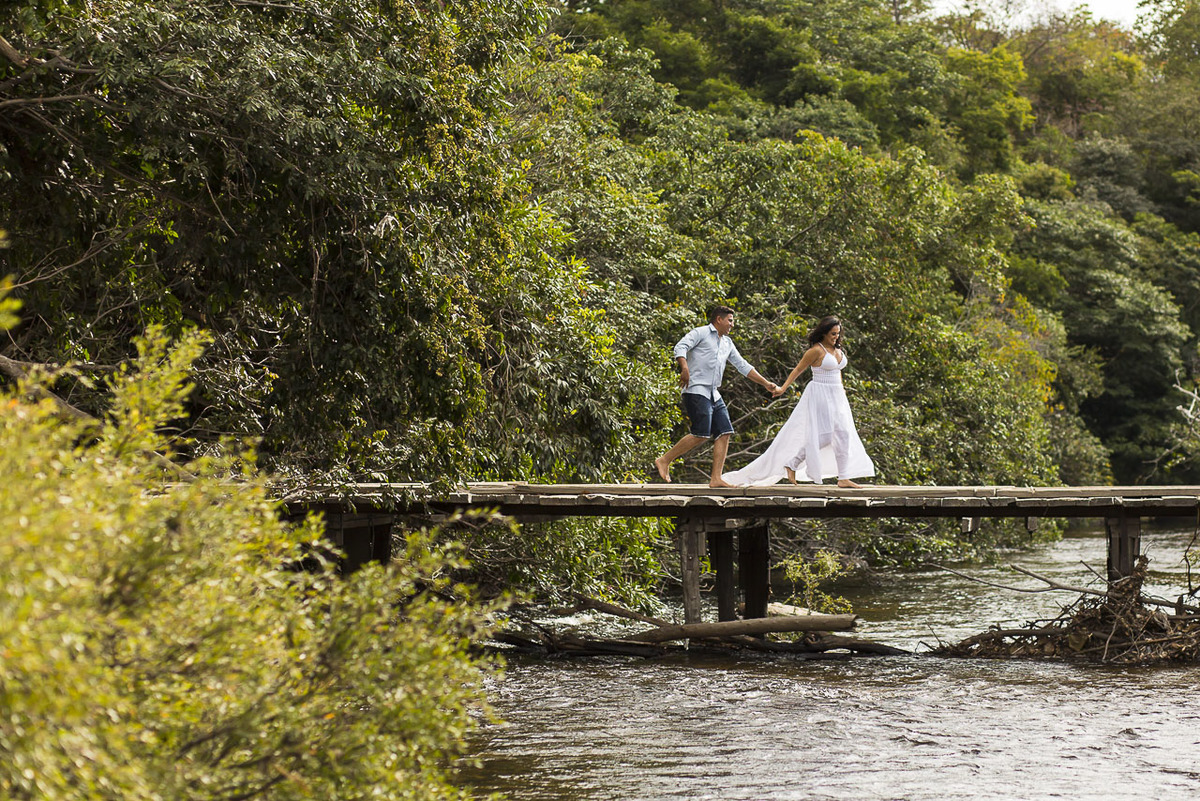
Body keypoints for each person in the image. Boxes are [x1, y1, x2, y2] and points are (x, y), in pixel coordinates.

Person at [722, 315, 874, 488]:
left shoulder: (838, 350)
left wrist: (841, 389)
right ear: (824, 333)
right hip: (820, 393)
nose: (836, 337)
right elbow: (798, 370)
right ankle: (793, 464)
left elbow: (837, 371)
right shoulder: (816, 350)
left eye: (838, 334)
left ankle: (842, 477)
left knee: (844, 433)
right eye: (833, 334)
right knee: (824, 435)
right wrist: (782, 388)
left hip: (837, 394)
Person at [654, 306, 779, 487]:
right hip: (696, 389)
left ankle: (716, 478)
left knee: (725, 432)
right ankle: (664, 460)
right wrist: (685, 367)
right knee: (701, 434)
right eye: (730, 320)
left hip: (713, 392)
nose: (732, 325)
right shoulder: (701, 333)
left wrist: (766, 383)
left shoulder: (727, 343)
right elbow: (680, 346)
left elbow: (742, 366)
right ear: (719, 320)